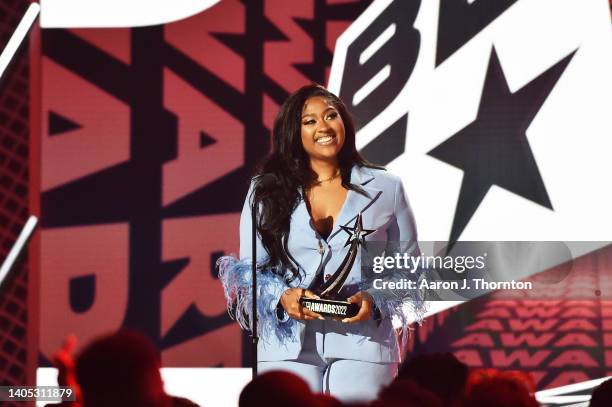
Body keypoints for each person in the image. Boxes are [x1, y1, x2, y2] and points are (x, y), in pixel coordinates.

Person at [218, 84, 423, 402]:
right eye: (309, 120)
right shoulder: (265, 191)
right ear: (293, 131)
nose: (324, 126)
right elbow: (250, 272)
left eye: (331, 115)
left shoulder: (387, 187)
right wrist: (283, 298)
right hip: (286, 347)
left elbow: (409, 269)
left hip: (364, 345)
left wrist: (373, 299)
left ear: (344, 123)